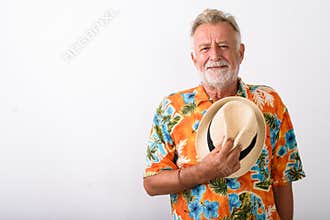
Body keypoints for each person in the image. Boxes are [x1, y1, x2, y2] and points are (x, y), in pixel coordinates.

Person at [143, 8, 305, 220]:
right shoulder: (171, 108)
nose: (215, 55)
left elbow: (283, 179)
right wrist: (204, 171)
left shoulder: (270, 102)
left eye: (223, 46)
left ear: (241, 53)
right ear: (194, 58)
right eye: (204, 48)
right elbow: (152, 184)